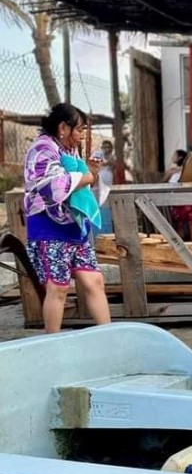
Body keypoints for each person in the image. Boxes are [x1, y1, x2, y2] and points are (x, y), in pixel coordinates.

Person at [23, 103, 111, 333]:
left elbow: (79, 180)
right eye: (79, 129)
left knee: (94, 281)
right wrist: (87, 176)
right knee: (58, 287)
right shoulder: (42, 150)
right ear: (63, 127)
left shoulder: (68, 150)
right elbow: (53, 187)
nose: (81, 136)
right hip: (48, 226)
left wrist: (90, 171)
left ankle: (110, 338)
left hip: (73, 226)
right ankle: (53, 343)